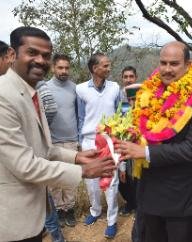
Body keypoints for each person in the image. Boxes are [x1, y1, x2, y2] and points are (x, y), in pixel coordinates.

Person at [0, 26, 116, 242]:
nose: (40, 60)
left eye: (46, 55)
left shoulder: (31, 91)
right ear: (11, 54)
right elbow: (25, 165)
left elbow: (42, 148)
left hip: (32, 215)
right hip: (9, 220)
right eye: (32, 52)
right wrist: (83, 170)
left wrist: (75, 156)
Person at [116, 41, 192, 242]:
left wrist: (144, 153)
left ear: (188, 65)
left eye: (174, 64)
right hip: (147, 192)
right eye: (163, 63)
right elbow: (138, 130)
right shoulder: (147, 93)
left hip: (180, 197)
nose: (167, 69)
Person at [76, 52, 121, 239]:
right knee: (92, 182)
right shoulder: (80, 89)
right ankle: (95, 211)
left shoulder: (115, 87)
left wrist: (120, 138)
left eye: (109, 65)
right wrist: (80, 144)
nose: (109, 69)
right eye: (105, 66)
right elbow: (80, 117)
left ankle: (112, 220)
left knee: (111, 181)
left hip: (110, 140)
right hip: (89, 141)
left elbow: (120, 113)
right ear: (95, 68)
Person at [47, 53, 79, 227]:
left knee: (71, 178)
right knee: (55, 180)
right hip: (52, 142)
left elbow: (78, 113)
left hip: (72, 140)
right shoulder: (44, 88)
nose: (64, 71)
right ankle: (59, 210)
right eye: (60, 67)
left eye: (66, 67)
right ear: (53, 68)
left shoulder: (75, 88)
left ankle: (70, 209)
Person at [119, 66, 138, 216]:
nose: (128, 79)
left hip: (139, 141)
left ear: (135, 78)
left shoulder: (143, 94)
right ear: (122, 78)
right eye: (125, 77)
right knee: (122, 176)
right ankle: (129, 202)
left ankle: (138, 204)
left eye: (131, 76)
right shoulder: (119, 96)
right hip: (122, 137)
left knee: (137, 175)